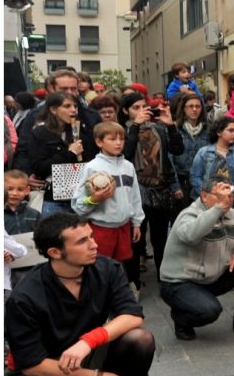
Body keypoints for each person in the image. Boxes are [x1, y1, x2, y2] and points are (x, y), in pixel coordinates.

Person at [5, 213, 155, 376]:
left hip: (85, 354)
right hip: (44, 369)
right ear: (55, 252)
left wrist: (88, 341)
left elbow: (132, 316)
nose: (94, 245)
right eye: (82, 241)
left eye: (91, 237)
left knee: (140, 339)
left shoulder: (107, 268)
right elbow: (31, 364)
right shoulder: (26, 296)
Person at [158, 175, 234, 340]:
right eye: (220, 195)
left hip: (213, 276)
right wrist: (218, 209)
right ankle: (181, 318)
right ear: (204, 196)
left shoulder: (233, 216)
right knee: (210, 311)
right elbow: (190, 235)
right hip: (180, 283)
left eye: (230, 194)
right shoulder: (189, 214)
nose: (228, 199)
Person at [120, 92, 184, 290]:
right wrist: (135, 126)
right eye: (135, 108)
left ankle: (163, 277)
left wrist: (170, 125)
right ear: (125, 111)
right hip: (136, 191)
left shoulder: (159, 128)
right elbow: (126, 153)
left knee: (160, 238)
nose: (141, 111)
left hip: (160, 189)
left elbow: (178, 149)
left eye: (143, 107)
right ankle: (134, 282)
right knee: (136, 239)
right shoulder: (122, 130)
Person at [70, 121, 145, 286]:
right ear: (99, 142)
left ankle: (117, 295)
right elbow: (77, 204)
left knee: (119, 267)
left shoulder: (128, 166)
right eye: (112, 139)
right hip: (100, 228)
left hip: (124, 227)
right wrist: (93, 199)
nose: (118, 143)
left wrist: (137, 222)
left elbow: (135, 196)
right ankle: (98, 296)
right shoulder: (92, 167)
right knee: (99, 268)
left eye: (121, 139)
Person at [14, 92, 88, 216]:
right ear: (54, 110)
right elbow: (40, 168)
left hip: (78, 197)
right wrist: (69, 153)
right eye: (67, 106)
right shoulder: (40, 133)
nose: (73, 110)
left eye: (75, 106)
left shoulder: (80, 130)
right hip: (53, 199)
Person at [171, 92, 213, 203]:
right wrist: (175, 186)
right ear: (183, 108)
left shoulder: (208, 130)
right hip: (182, 180)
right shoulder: (175, 130)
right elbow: (170, 160)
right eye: (190, 106)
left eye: (198, 106)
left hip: (203, 180)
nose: (194, 109)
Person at [189, 117, 234, 194]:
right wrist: (207, 194)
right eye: (231, 130)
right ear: (219, 132)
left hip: (230, 197)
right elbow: (195, 176)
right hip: (207, 196)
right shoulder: (204, 152)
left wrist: (232, 195)